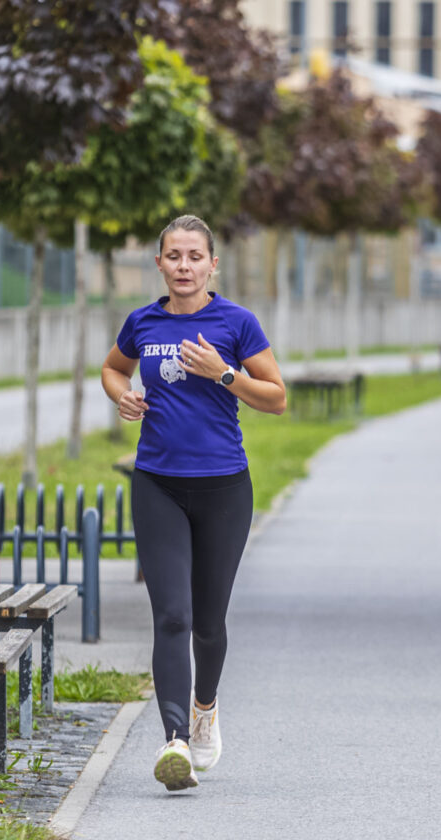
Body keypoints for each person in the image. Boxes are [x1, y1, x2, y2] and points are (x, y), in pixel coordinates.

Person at [101, 215, 287, 791]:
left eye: (194, 256)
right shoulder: (143, 322)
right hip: (157, 483)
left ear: (212, 265)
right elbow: (112, 368)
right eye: (174, 256)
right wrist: (123, 396)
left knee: (207, 622)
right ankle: (175, 740)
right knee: (172, 617)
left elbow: (276, 398)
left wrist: (224, 373)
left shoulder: (237, 322)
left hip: (224, 488)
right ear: (159, 263)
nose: (184, 266)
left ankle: (205, 708)